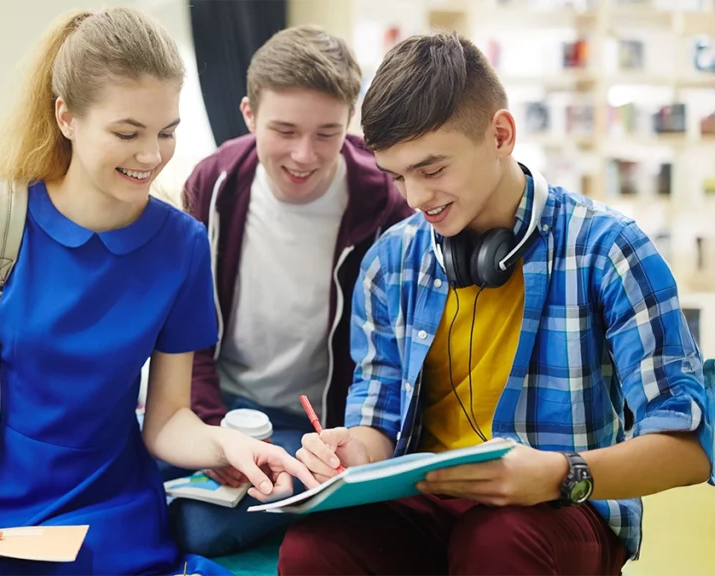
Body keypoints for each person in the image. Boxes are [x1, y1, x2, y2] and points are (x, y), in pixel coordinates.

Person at [0, 8, 318, 576]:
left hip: (105, 501)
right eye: (127, 133)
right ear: (67, 117)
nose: (151, 156)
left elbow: (167, 419)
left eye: (166, 132)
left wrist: (226, 444)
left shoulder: (182, 245)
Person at [280, 31, 714, 575]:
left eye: (432, 170)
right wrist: (352, 454)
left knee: (497, 541)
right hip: (431, 500)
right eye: (398, 177)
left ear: (501, 135)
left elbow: (690, 449)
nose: (415, 198)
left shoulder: (608, 248)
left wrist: (560, 473)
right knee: (311, 547)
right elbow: (378, 423)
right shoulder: (390, 261)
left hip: (561, 507)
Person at [163, 25, 412, 557]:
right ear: (249, 114)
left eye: (327, 133)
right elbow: (186, 329)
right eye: (285, 130)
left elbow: (389, 360)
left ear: (350, 121)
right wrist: (211, 430)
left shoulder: (385, 204)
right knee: (120, 468)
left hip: (312, 423)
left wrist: (342, 446)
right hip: (219, 408)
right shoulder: (214, 184)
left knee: (201, 529)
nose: (304, 155)